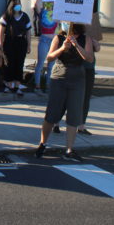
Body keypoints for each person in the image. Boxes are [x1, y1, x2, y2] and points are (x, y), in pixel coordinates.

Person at [35, 22, 94, 163]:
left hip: (77, 78)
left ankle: (69, 149)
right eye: (65, 22)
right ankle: (43, 143)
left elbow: (89, 58)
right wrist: (62, 48)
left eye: (69, 22)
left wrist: (76, 45)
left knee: (74, 115)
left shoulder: (85, 39)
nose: (66, 24)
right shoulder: (59, 38)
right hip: (59, 77)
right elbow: (49, 58)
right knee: (52, 113)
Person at [0, 0, 31, 95]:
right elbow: (1, 33)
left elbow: (28, 32)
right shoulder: (5, 17)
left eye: (19, 4)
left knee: (19, 63)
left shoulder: (25, 16)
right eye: (16, 4)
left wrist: (29, 45)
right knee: (9, 63)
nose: (18, 6)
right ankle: (8, 85)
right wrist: (0, 45)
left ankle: (17, 86)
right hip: (9, 41)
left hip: (21, 41)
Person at [33, 0, 56, 93]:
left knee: (51, 65)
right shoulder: (43, 11)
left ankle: (48, 85)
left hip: (54, 41)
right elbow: (36, 4)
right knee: (41, 64)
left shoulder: (57, 12)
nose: (52, 2)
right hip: (44, 39)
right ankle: (37, 85)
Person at [78, 34, 101, 135]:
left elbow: (97, 48)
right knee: (68, 98)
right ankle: (56, 123)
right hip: (76, 68)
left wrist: (93, 41)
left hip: (89, 69)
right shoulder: (73, 34)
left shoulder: (89, 35)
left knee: (86, 98)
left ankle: (81, 126)